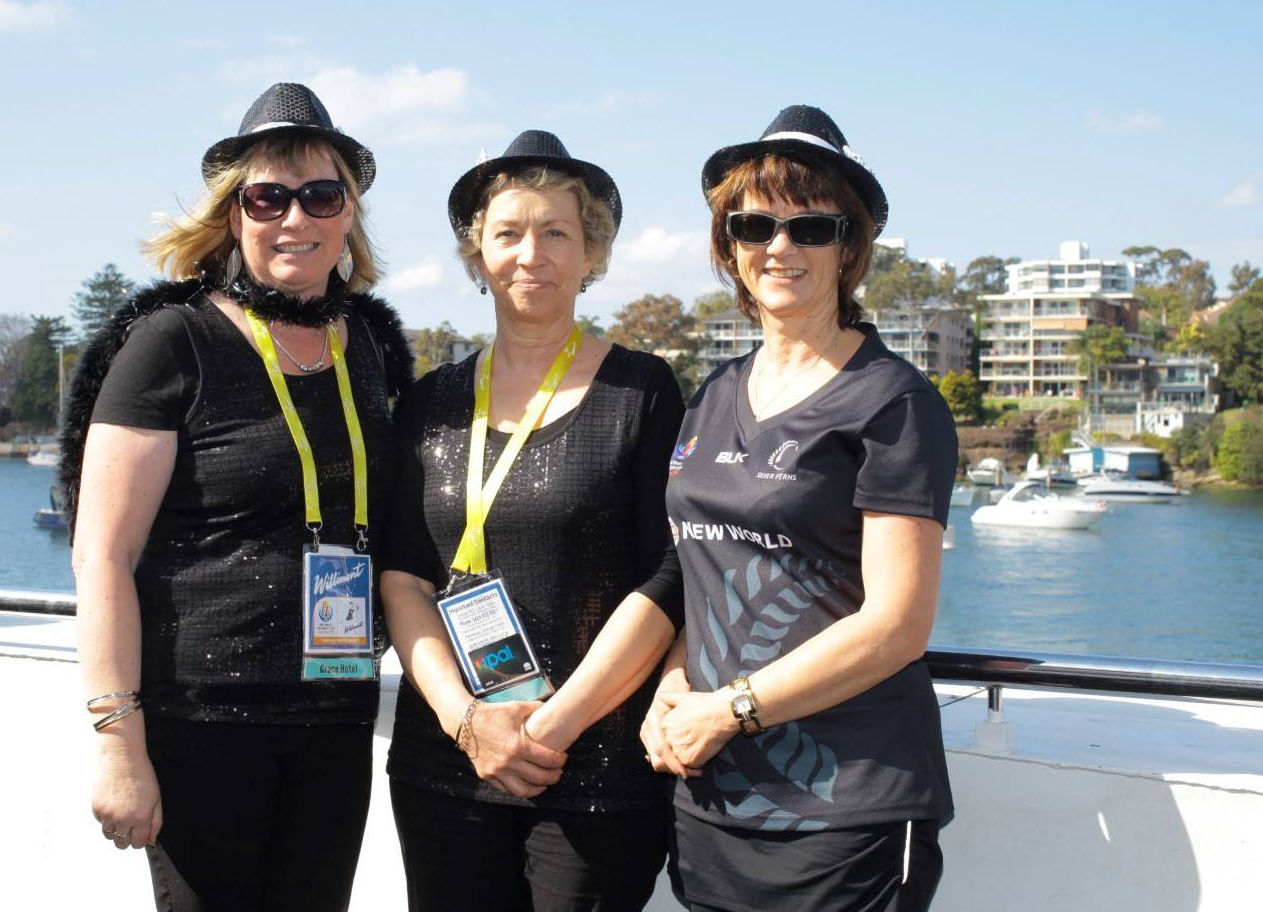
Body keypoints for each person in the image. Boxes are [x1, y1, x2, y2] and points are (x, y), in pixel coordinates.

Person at [60, 82, 412, 911]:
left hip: (335, 716)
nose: (295, 217)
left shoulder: (371, 346)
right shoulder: (172, 342)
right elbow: (102, 555)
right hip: (200, 722)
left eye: (320, 195)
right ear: (233, 214)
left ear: (348, 213)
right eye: (268, 198)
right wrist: (118, 744)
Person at [640, 105, 957, 912]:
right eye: (753, 226)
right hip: (711, 798)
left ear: (848, 247)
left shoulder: (893, 403)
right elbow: (703, 572)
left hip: (846, 808)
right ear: (729, 248)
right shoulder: (713, 393)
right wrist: (672, 686)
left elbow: (897, 625)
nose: (778, 247)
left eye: (809, 227)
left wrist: (729, 709)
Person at [381, 130, 685, 912]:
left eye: (556, 233)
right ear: (477, 253)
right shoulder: (429, 403)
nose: (531, 254)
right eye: (508, 233)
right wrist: (465, 722)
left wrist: (552, 727)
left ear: (591, 254)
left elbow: (668, 572)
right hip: (445, 765)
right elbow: (404, 575)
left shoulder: (643, 392)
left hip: (594, 766)